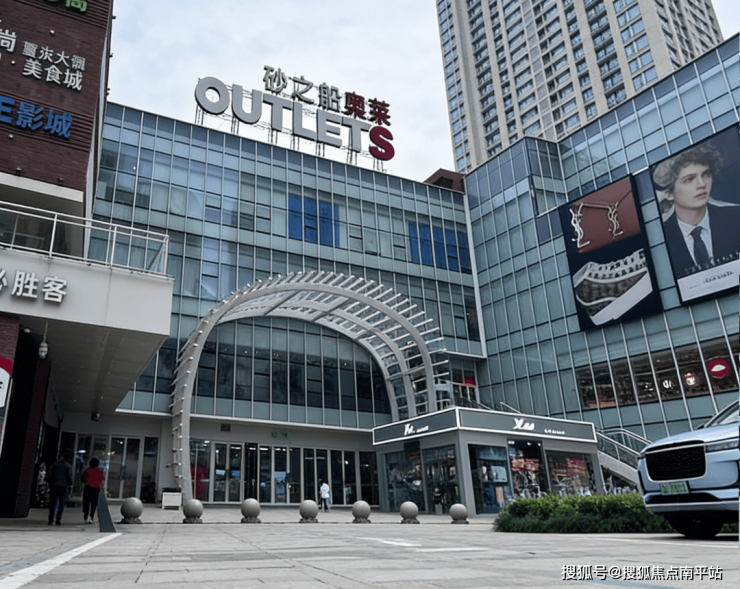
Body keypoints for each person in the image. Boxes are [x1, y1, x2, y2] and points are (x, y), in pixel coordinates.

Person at [653, 143, 740, 277]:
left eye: (706, 174)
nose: (702, 184)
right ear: (669, 193)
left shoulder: (735, 216)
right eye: (689, 180)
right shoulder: (662, 237)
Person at [47, 453, 73, 526]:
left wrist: (49, 482)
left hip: (54, 485)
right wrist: (70, 483)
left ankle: (51, 519)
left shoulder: (54, 465)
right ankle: (58, 519)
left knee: (53, 503)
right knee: (62, 503)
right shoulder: (68, 466)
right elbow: (69, 476)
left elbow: (50, 474)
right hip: (64, 486)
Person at [81, 457, 105, 524]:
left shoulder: (87, 470)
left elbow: (83, 478)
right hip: (96, 488)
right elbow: (102, 479)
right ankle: (91, 516)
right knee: (94, 503)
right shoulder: (100, 470)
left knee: (86, 502)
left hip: (88, 487)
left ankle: (86, 515)